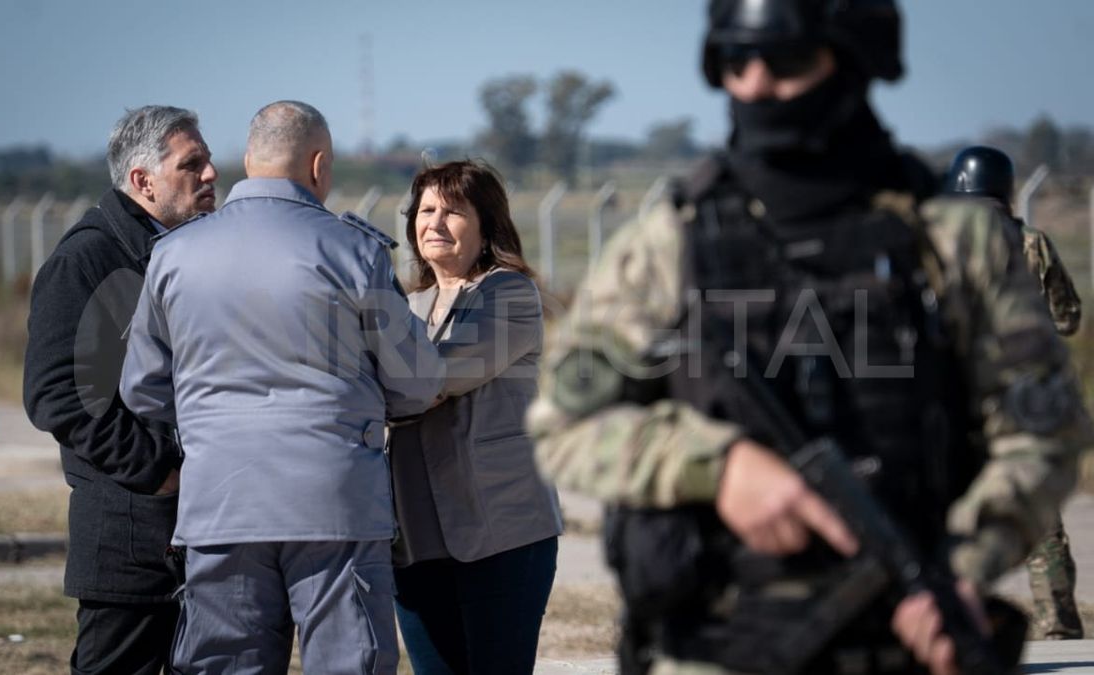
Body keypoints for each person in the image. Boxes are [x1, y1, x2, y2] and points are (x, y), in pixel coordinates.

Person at [527, 2, 1092, 674]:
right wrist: (717, 463)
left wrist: (966, 567)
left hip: (911, 636)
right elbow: (564, 421)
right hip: (719, 644)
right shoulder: (668, 247)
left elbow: (1046, 429)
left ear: (851, 60)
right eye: (737, 63)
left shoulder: (950, 242)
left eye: (787, 61)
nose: (759, 84)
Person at [119, 100, 443, 675]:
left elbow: (143, 388)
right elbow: (415, 383)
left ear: (247, 160)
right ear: (318, 165)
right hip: (334, 503)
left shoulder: (172, 255)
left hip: (220, 502)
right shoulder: (355, 252)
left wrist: (212, 417)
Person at [23, 105, 218, 675]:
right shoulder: (88, 258)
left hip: (199, 531)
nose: (210, 175)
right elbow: (57, 393)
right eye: (193, 164)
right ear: (142, 181)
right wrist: (161, 471)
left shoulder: (194, 249)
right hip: (130, 540)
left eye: (208, 162)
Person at [388, 160, 564, 675]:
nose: (435, 223)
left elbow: (432, 380)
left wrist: (366, 388)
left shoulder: (508, 294)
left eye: (454, 211)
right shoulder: (406, 307)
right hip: (415, 542)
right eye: (425, 210)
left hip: (503, 533)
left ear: (487, 225)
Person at [943, 144, 1084, 640]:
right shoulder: (1032, 243)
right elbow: (1069, 319)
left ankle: (957, 621)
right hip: (1022, 396)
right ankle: (1059, 623)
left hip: (956, 397)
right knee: (1035, 514)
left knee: (953, 511)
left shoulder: (941, 243)